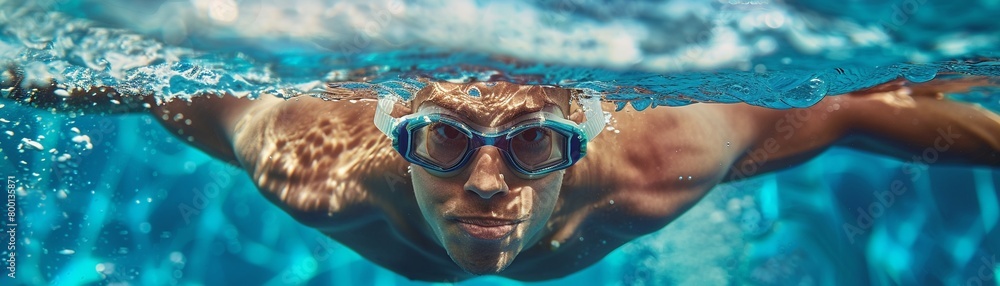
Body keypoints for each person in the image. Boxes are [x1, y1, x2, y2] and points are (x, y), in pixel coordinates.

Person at [8, 75, 1000, 282]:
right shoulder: (312, 166)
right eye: (440, 139)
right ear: (394, 141)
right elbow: (139, 86)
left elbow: (850, 109)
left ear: (578, 145)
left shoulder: (658, 161)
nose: (486, 179)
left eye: (531, 143)